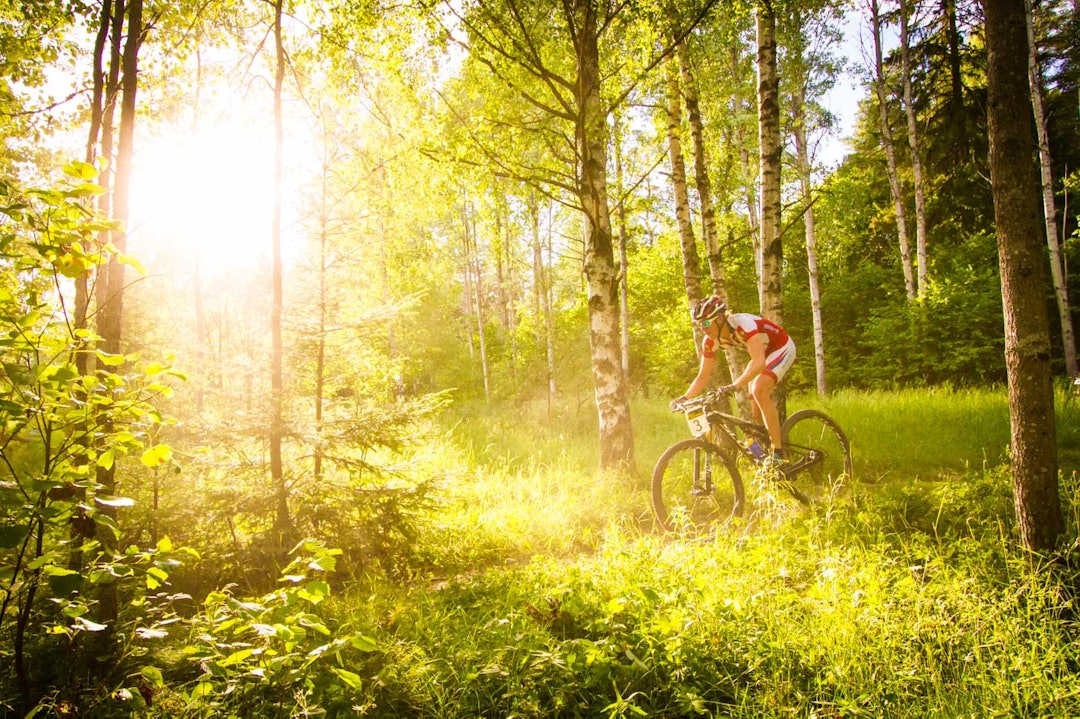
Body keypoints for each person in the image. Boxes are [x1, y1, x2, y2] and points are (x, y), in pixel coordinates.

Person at [671, 296, 796, 463]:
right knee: (757, 415)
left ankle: (778, 454)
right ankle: (772, 454)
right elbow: (703, 376)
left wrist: (734, 385)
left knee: (759, 389)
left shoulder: (743, 324)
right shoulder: (710, 342)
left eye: (706, 323)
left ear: (721, 318)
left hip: (782, 347)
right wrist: (684, 398)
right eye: (700, 324)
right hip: (764, 353)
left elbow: (758, 361)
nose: (703, 328)